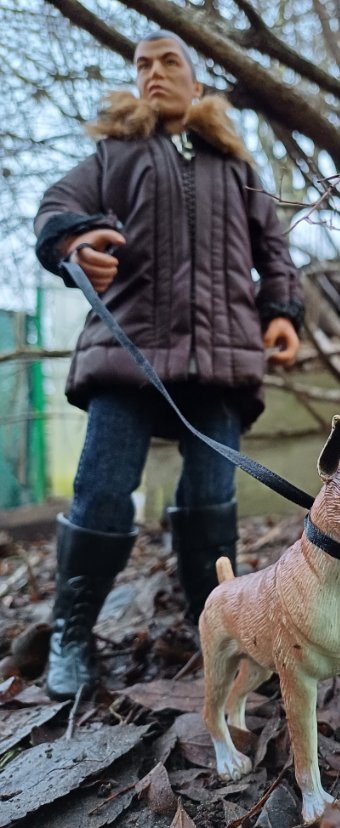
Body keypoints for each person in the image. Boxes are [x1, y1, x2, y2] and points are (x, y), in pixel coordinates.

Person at [34, 31, 304, 700]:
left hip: (221, 358)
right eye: (142, 65)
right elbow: (56, 211)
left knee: (212, 499)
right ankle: (72, 633)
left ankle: (212, 624)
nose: (153, 73)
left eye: (168, 61)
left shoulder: (235, 166)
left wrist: (281, 314)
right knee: (101, 488)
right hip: (129, 353)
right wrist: (74, 241)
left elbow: (275, 251)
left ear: (198, 80)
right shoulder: (116, 154)